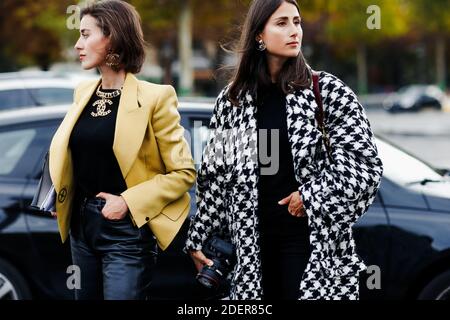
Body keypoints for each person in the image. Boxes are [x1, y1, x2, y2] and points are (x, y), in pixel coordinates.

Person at [185, 0, 383, 300]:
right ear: (258, 36)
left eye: (297, 22)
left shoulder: (326, 92)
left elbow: (365, 166)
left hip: (311, 245)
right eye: (282, 23)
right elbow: (216, 178)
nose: (294, 31)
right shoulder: (234, 101)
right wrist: (199, 236)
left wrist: (311, 196)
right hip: (251, 250)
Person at [49, 0, 195, 300]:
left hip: (126, 233)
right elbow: (79, 155)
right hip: (81, 227)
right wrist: (61, 193)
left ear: (112, 37)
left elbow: (183, 172)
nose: (78, 44)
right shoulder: (82, 93)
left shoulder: (157, 97)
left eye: (86, 34)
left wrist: (127, 202)